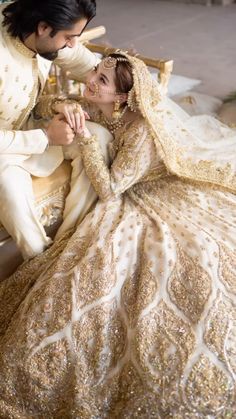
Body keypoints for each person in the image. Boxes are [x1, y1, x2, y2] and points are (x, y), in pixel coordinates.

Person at [0, 51, 235, 417]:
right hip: (117, 178)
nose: (92, 80)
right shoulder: (98, 104)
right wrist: (65, 104)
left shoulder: (139, 131)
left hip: (147, 190)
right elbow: (49, 102)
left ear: (123, 97)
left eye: (103, 80)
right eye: (95, 71)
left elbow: (111, 189)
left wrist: (86, 139)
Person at [0, 0, 100, 260]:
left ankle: (74, 237)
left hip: (28, 132)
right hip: (4, 154)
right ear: (43, 27)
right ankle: (41, 262)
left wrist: (117, 77)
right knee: (11, 189)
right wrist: (45, 138)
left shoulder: (37, 34)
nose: (73, 43)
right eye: (69, 37)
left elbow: (82, 60)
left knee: (95, 138)